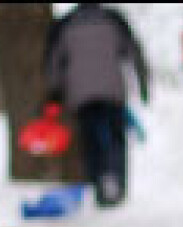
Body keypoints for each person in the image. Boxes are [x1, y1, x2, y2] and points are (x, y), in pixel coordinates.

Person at [44, 3, 150, 207]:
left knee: (90, 140)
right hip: (112, 90)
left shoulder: (66, 23)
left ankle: (98, 187)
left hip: (81, 94)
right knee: (116, 138)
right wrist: (143, 85)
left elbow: (54, 62)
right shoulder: (113, 18)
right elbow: (133, 51)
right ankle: (117, 185)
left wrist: (54, 94)